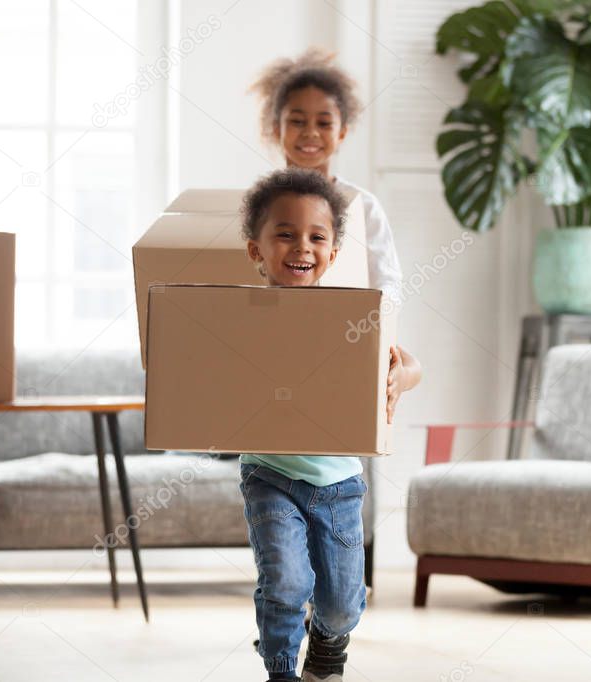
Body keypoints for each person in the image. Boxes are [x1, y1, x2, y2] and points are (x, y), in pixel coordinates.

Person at [239, 168, 422, 682]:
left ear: (334, 253)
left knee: (341, 603)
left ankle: (328, 642)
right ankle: (280, 671)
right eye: (285, 234)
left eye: (317, 237)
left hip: (339, 482)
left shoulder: (354, 316)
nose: (302, 247)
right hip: (269, 474)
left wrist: (400, 378)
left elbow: (409, 364)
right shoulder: (239, 316)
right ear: (256, 250)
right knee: (286, 582)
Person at [251, 49, 403, 305]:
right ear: (278, 129)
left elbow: (387, 285)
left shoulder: (363, 206)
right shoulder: (262, 204)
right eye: (298, 122)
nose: (311, 133)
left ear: (342, 132)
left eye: (324, 124)